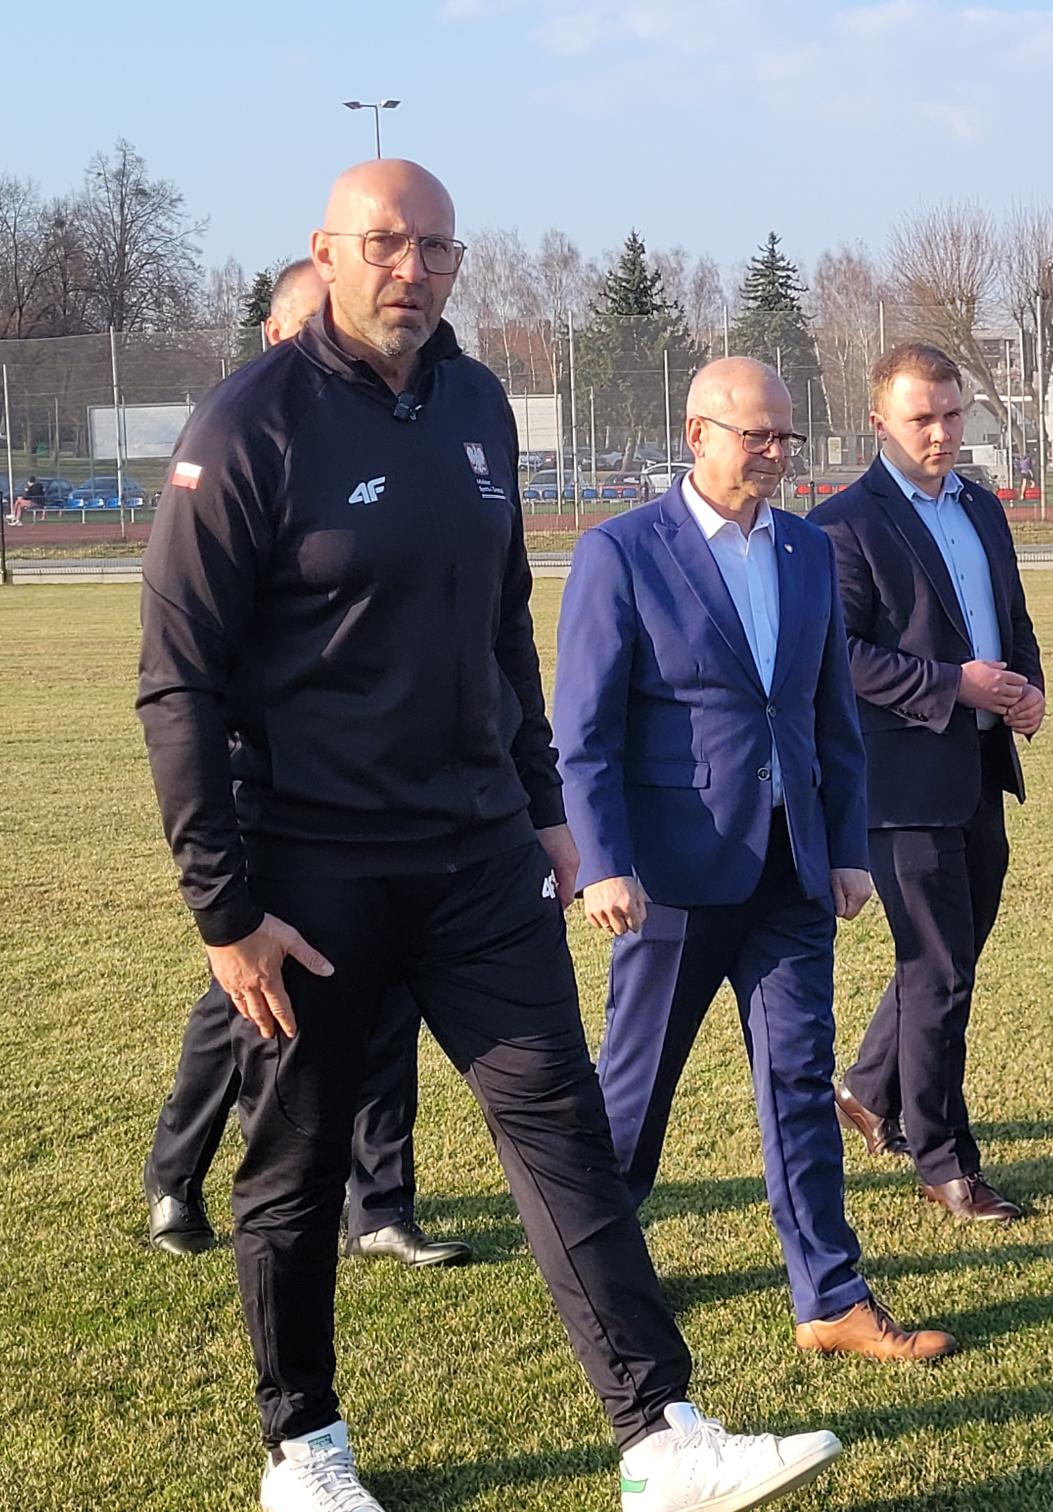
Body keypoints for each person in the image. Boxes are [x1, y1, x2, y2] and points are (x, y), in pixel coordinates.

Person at [137, 159, 840, 1512]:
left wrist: (545, 806)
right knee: (297, 1164)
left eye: (437, 248)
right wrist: (224, 909)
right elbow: (177, 683)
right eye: (385, 244)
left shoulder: (472, 407)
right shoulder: (248, 425)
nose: (413, 270)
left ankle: (660, 1437)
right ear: (328, 253)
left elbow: (502, 623)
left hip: (475, 857)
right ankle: (304, 1450)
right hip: (312, 874)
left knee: (564, 1134)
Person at [554, 356, 956, 1364]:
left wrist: (847, 848)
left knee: (800, 1083)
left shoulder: (807, 549)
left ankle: (830, 1296)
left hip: (793, 872)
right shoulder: (620, 552)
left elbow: (829, 717)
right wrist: (603, 862)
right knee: (634, 1095)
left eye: (787, 437)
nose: (776, 453)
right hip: (671, 881)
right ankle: (594, 1277)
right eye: (757, 436)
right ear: (697, 435)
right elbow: (584, 733)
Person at [142, 255, 471, 1269]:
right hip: (271, 791)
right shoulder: (248, 434)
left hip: (383, 799)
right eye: (297, 333)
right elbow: (188, 664)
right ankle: (176, 1175)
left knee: (391, 999)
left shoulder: (405, 421)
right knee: (246, 998)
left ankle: (382, 1204)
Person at [808, 343, 1045, 1222]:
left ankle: (870, 1090)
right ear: (879, 421)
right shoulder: (843, 524)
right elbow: (841, 655)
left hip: (980, 770)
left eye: (952, 414)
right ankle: (945, 1160)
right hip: (900, 784)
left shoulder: (981, 507)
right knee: (941, 971)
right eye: (921, 419)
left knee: (948, 957)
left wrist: (1027, 685)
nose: (942, 434)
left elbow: (1010, 617)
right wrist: (954, 686)